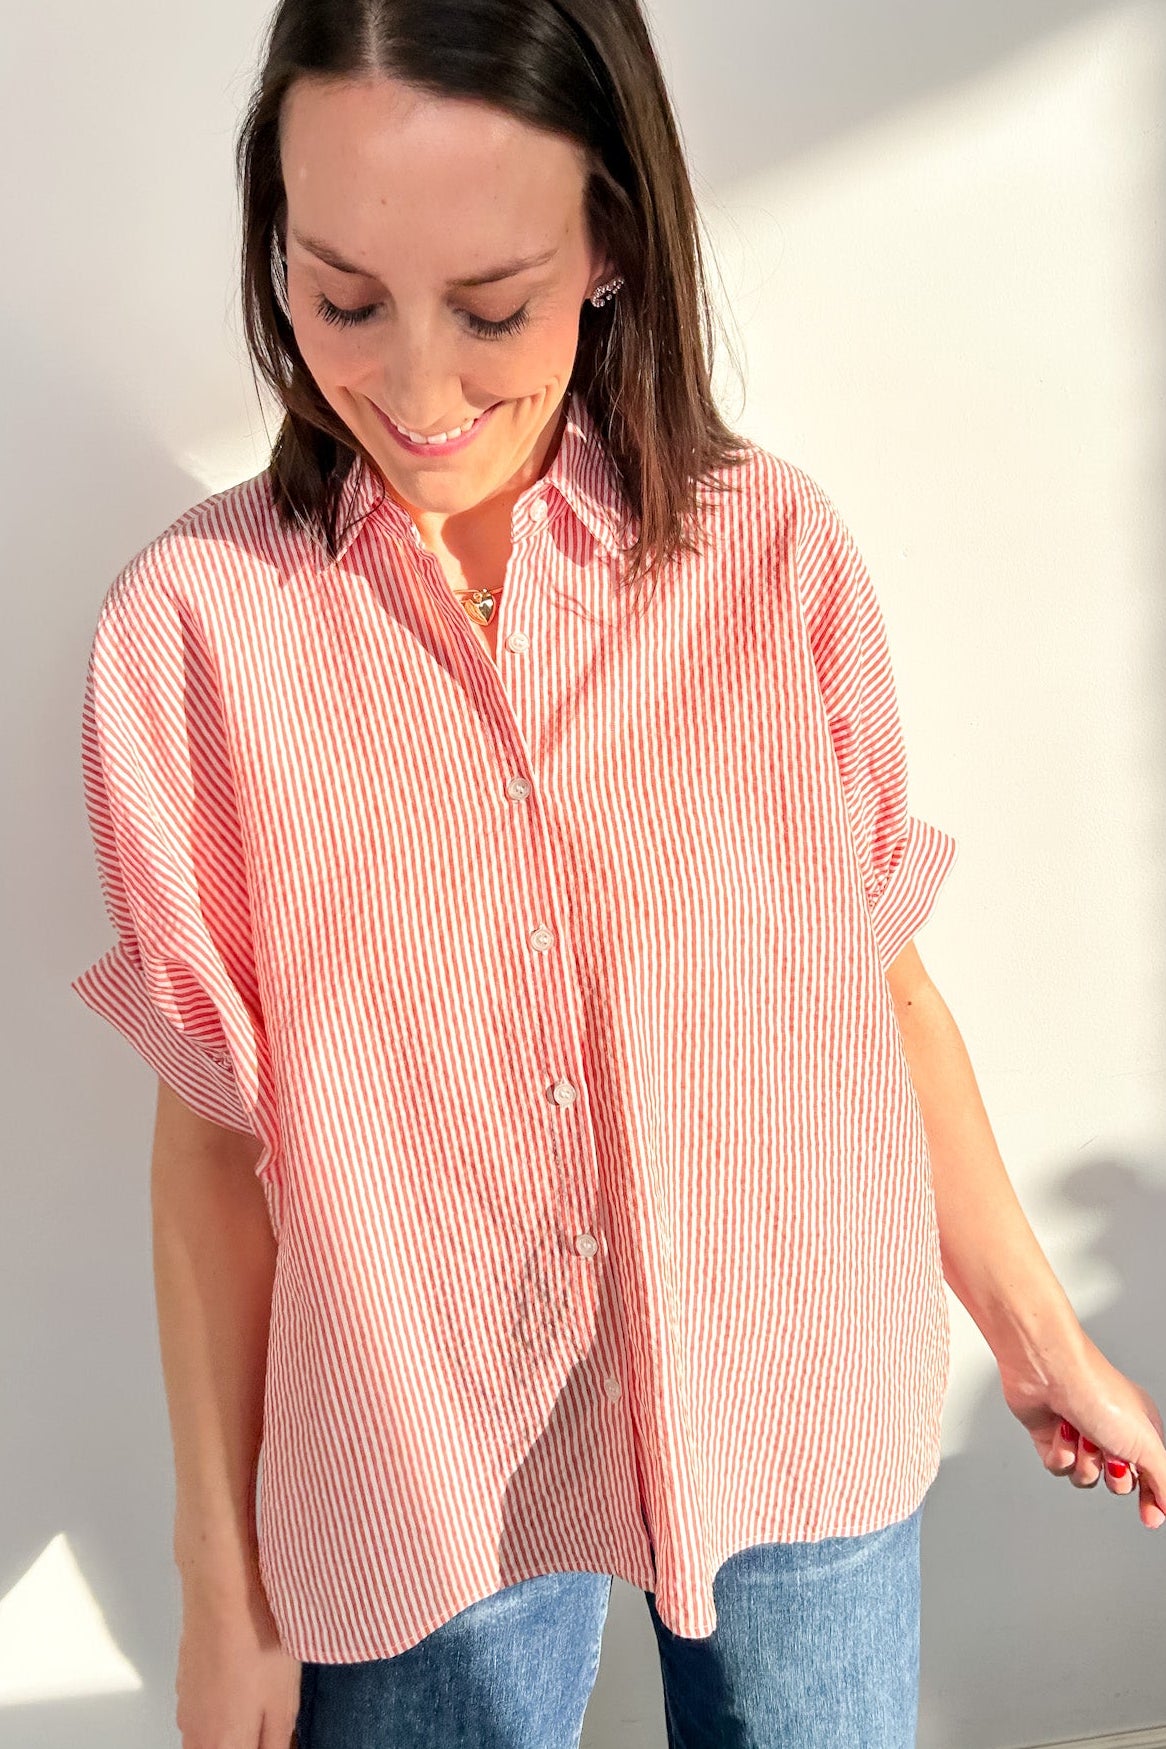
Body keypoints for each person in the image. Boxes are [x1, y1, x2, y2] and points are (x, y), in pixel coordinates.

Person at [69, 1, 1166, 1745]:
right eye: (340, 296)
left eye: (492, 309)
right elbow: (214, 1138)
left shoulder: (775, 559)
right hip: (418, 1479)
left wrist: (1031, 1329)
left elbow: (869, 983)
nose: (416, 392)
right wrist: (227, 1589)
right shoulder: (192, 640)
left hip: (797, 1407)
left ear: (609, 249)